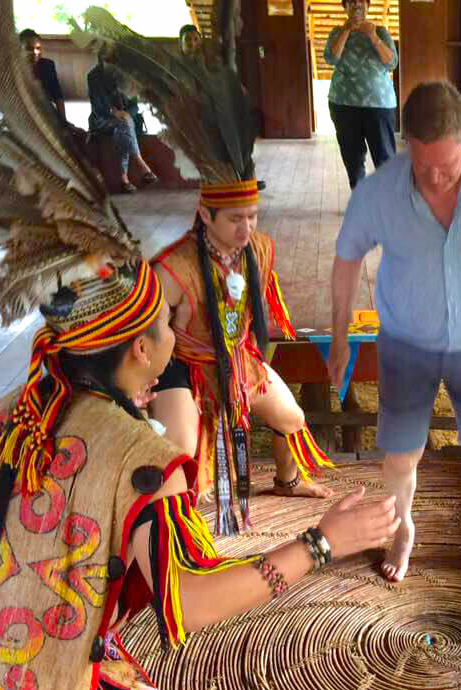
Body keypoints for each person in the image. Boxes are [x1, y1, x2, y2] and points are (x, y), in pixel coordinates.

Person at [0, 8, 401, 690]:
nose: (166, 346)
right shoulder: (133, 452)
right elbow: (183, 602)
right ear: (139, 348)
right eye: (158, 335)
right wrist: (322, 542)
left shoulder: (11, 413)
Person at [79, 9, 338, 530]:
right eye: (236, 219)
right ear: (205, 215)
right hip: (186, 370)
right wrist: (140, 386)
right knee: (178, 459)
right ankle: (164, 519)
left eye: (253, 216)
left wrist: (251, 368)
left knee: (292, 417)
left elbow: (257, 318)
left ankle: (288, 479)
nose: (246, 228)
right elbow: (142, 336)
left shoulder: (259, 249)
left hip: (236, 361)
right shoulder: (172, 268)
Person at [329, 81, 461, 583]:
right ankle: (403, 529)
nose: (432, 178)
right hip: (406, 344)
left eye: (445, 167)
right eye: (422, 165)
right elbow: (346, 261)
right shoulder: (378, 191)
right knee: (401, 456)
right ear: (406, 144)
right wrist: (339, 337)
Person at [324, 0, 399, 189]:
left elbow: (391, 63)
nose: (356, 4)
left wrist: (372, 36)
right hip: (344, 105)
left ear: (368, 6)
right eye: (351, 1)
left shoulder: (380, 31)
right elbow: (331, 58)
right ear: (345, 7)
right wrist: (346, 31)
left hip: (379, 106)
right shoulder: (336, 33)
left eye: (361, 1)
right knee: (353, 159)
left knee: (385, 158)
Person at [87, 55, 159, 193]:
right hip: (102, 119)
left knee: (123, 126)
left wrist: (126, 114)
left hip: (124, 120)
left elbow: (135, 106)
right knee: (124, 125)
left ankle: (124, 180)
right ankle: (141, 165)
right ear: (101, 61)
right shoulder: (93, 76)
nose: (114, 66)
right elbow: (98, 107)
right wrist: (115, 113)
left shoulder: (125, 74)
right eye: (108, 61)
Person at [19, 28, 67, 124]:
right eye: (29, 48)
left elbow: (58, 95)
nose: (35, 52)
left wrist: (63, 121)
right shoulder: (15, 69)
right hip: (23, 116)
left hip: (46, 112)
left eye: (38, 48)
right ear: (19, 49)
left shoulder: (48, 65)